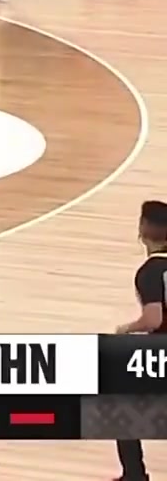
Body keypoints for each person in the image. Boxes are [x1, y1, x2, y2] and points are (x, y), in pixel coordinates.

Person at [113, 199, 167, 481]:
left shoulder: (151, 272)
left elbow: (153, 319)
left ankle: (134, 475)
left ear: (143, 227)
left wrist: (126, 329)